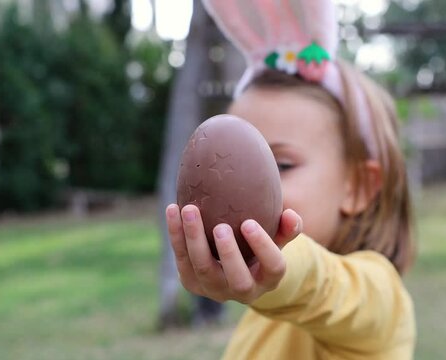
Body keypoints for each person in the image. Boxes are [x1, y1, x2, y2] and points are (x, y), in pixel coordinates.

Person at [165, 0, 416, 358]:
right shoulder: (264, 316)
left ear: (358, 186)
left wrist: (274, 267)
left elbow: (318, 285)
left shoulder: (379, 300)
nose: (242, 186)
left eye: (280, 165)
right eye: (240, 163)